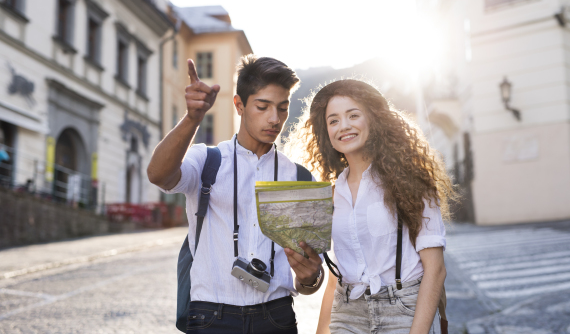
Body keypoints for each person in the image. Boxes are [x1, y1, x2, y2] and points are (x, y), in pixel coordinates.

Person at [147, 55, 324, 334]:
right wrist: (193, 119)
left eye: (282, 108)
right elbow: (158, 175)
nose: (274, 118)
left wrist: (310, 276)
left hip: (276, 316)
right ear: (239, 105)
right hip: (210, 315)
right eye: (263, 106)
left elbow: (311, 280)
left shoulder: (300, 178)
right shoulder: (207, 160)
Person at [286, 79, 454, 334]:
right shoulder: (331, 195)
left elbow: (435, 270)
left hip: (402, 309)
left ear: (374, 120)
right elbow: (336, 276)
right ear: (326, 133)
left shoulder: (412, 181)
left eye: (353, 115)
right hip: (347, 311)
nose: (344, 126)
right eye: (333, 120)